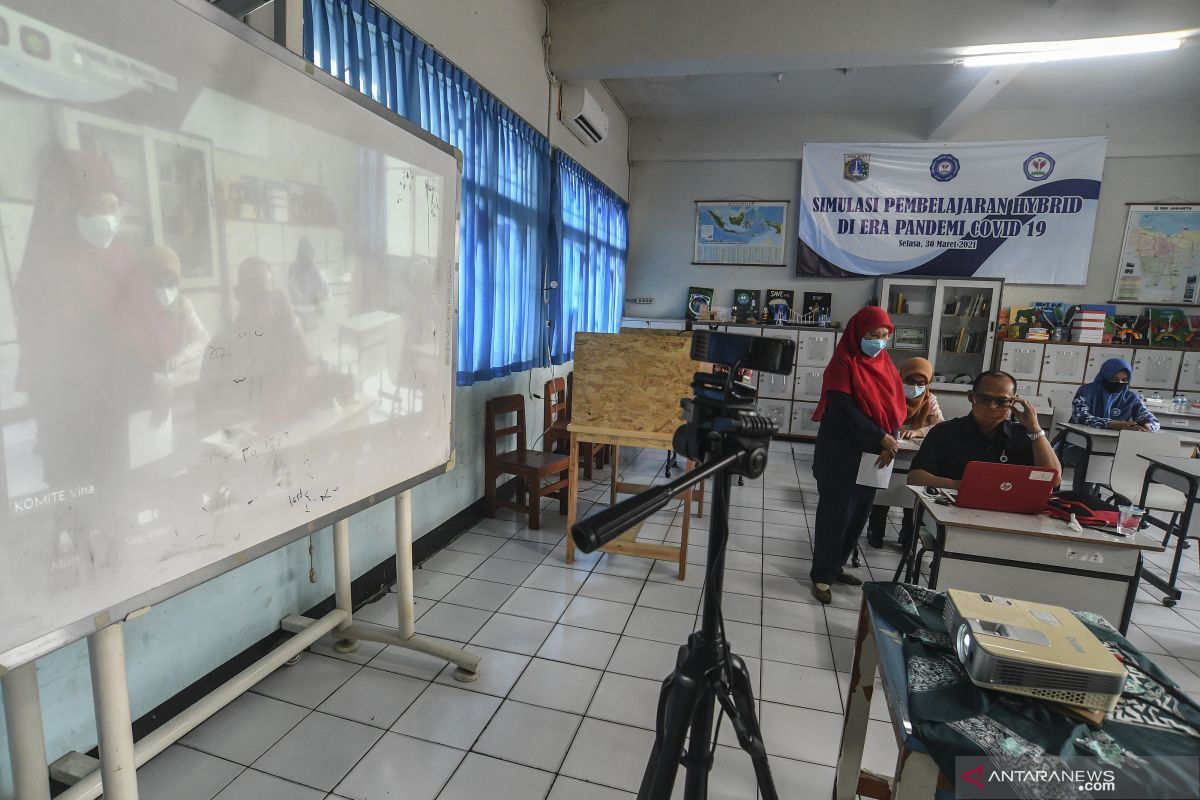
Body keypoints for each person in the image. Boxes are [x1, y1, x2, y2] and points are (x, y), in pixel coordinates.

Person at [808, 306, 908, 604]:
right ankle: (822, 576)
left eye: (883, 336)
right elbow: (843, 408)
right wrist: (882, 436)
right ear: (856, 334)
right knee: (835, 515)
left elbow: (893, 406)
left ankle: (837, 567)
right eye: (872, 335)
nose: (878, 342)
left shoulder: (885, 365)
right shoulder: (844, 362)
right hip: (842, 453)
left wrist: (891, 437)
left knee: (859, 514)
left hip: (874, 454)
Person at [197, 257, 316, 432]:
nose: (258, 298)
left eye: (264, 291)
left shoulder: (281, 338)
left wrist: (291, 318)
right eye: (251, 289)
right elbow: (206, 414)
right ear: (238, 294)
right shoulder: (220, 346)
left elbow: (309, 365)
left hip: (280, 433)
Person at [908, 370, 1061, 490]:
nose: (992, 406)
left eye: (1002, 401)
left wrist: (1035, 429)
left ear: (1013, 401)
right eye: (985, 399)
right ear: (971, 397)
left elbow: (1054, 480)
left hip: (1009, 516)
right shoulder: (945, 432)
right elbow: (915, 477)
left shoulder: (1024, 436)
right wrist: (963, 486)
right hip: (953, 511)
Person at [865, 356, 944, 548]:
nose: (915, 386)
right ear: (900, 377)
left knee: (911, 499)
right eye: (910, 381)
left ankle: (907, 536)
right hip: (884, 450)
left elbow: (940, 426)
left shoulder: (929, 399)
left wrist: (918, 431)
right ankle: (875, 532)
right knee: (883, 493)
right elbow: (874, 420)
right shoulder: (888, 394)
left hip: (913, 455)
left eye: (921, 383)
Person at [144, 244, 209, 370]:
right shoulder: (138, 310)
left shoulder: (183, 305)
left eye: (171, 283)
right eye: (159, 284)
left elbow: (203, 340)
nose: (166, 291)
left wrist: (181, 357)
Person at [1071, 358, 1160, 432]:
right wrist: (1112, 424)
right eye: (1114, 379)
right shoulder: (1086, 391)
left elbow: (1154, 421)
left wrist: (1148, 427)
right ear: (1104, 377)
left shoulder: (1131, 398)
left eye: (1124, 380)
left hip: (1116, 442)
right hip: (1080, 439)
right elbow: (1080, 417)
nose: (1119, 383)